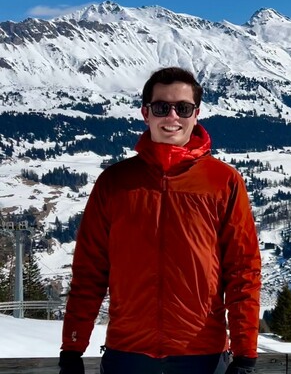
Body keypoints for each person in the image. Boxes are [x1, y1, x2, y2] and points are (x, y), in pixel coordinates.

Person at [58, 67, 262, 374]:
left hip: (201, 355)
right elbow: (89, 273)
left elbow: (243, 271)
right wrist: (73, 349)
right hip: (127, 354)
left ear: (196, 114)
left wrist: (245, 355)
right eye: (161, 107)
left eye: (183, 108)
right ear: (146, 112)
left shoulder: (223, 182)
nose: (172, 117)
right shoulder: (114, 183)